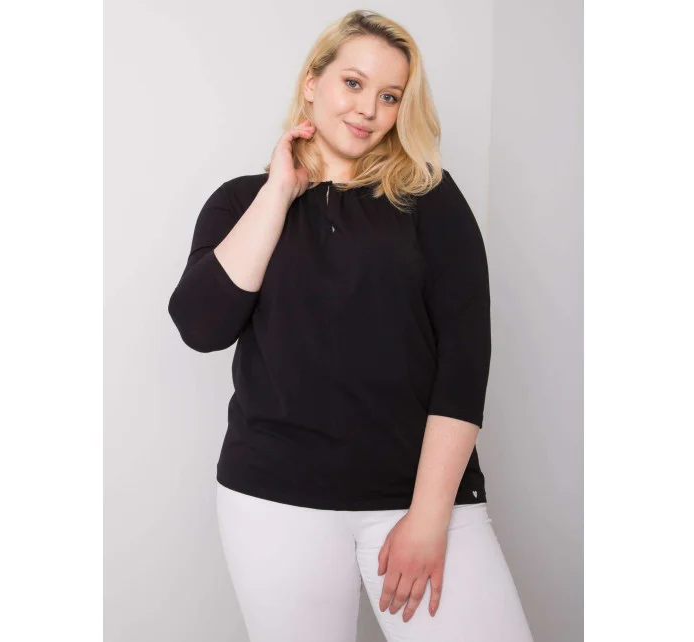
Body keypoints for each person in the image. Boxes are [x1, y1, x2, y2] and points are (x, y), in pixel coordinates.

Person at [168, 9, 534, 642]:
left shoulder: (429, 199)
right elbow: (202, 326)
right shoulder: (241, 202)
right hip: (274, 500)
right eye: (354, 83)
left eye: (390, 96)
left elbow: (464, 363)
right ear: (313, 81)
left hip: (418, 498)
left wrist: (428, 518)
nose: (369, 108)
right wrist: (280, 190)